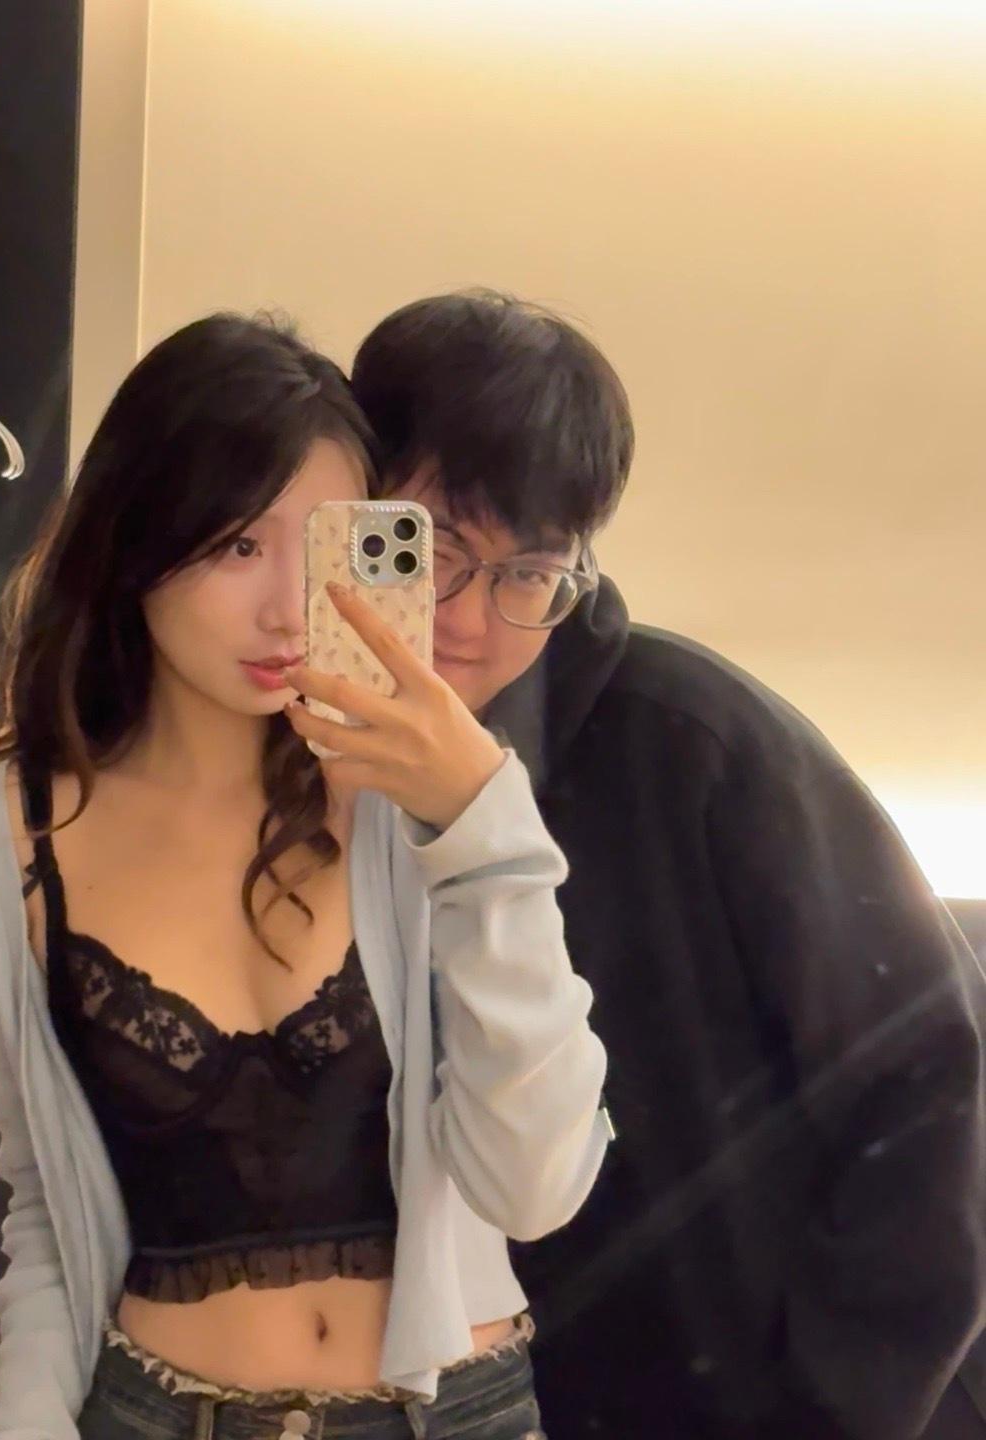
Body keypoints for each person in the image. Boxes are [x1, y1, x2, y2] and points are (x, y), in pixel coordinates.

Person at [0, 311, 612, 1440]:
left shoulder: (415, 791)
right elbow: (47, 1209)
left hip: (453, 1415)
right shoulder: (9, 832)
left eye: (325, 542)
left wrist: (484, 832)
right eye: (238, 545)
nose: (288, 605)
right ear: (136, 540)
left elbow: (535, 1187)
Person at [350, 290, 986, 1440]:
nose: (467, 620)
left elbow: (936, 1075)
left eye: (525, 573)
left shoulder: (695, 743)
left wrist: (832, 1412)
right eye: (432, 550)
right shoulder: (300, 772)